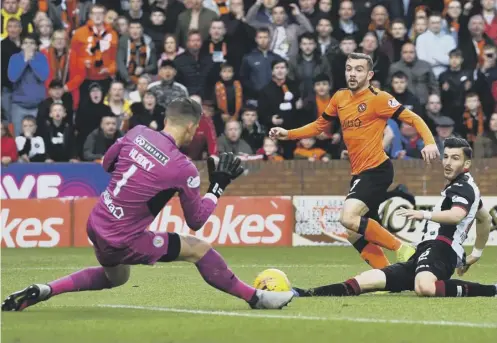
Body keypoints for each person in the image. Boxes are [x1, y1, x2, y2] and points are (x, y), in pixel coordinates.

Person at [1, 97, 294, 312]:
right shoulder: (183, 168)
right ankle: (257, 299)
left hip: (97, 221)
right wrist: (218, 184)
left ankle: (46, 289)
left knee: (115, 277)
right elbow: (197, 219)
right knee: (197, 248)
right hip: (123, 237)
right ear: (191, 127)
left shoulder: (136, 132)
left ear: (166, 119)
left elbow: (106, 164)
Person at [270, 53, 439, 269]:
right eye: (349, 68)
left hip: (377, 170)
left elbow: (413, 118)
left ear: (369, 75)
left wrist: (430, 142)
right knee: (351, 232)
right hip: (360, 173)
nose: (352, 73)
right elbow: (319, 126)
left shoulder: (379, 98)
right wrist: (288, 133)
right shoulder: (340, 98)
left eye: (358, 69)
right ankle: (386, 276)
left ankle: (403, 249)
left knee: (348, 217)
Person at [293, 137, 497, 299]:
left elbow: (457, 215)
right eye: (446, 157)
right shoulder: (466, 187)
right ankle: (306, 292)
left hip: (441, 250)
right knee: (367, 281)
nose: (448, 163)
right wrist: (475, 254)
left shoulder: (463, 187)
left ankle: (491, 290)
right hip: (424, 252)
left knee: (424, 287)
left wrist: (423, 214)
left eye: (455, 158)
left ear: (467, 163)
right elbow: (484, 219)